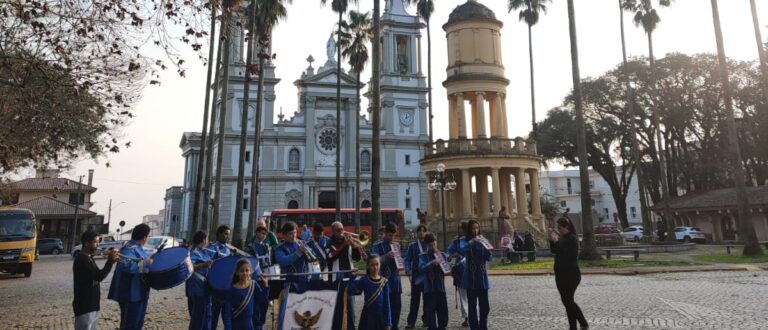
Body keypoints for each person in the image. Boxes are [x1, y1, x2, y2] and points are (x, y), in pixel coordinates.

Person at [108, 223, 153, 330]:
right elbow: (127, 266)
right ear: (144, 237)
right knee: (129, 325)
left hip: (140, 293)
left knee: (137, 324)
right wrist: (146, 263)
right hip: (130, 295)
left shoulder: (140, 248)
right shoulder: (128, 248)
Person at [73, 231, 118, 330]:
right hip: (84, 306)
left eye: (98, 242)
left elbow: (98, 275)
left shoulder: (89, 258)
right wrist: (110, 261)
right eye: (95, 242)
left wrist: (111, 261)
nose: (98, 245)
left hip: (92, 305)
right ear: (86, 243)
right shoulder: (82, 259)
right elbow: (99, 276)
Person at [549, 218, 589, 330]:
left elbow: (565, 253)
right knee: (566, 301)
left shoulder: (571, 239)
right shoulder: (564, 238)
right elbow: (554, 250)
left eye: (560, 228)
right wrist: (552, 240)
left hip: (570, 274)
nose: (559, 230)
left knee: (568, 301)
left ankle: (583, 322)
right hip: (561, 274)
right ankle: (573, 326)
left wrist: (555, 241)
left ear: (566, 226)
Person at [326, 221, 364, 330]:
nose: (341, 232)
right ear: (333, 231)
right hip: (336, 280)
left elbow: (356, 258)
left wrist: (355, 247)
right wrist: (344, 245)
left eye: (342, 229)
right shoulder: (329, 243)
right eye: (338, 230)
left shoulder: (347, 242)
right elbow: (331, 257)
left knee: (351, 311)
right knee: (338, 311)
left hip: (349, 280)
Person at [460, 220, 492, 330]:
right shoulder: (465, 240)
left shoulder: (483, 240)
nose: (475, 230)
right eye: (473, 228)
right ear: (469, 229)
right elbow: (462, 249)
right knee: (472, 306)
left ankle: (483, 326)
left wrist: (487, 248)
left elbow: (490, 258)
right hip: (470, 278)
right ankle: (474, 327)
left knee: (485, 306)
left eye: (477, 228)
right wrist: (473, 241)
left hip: (482, 277)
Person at [371, 223, 403, 330]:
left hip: (395, 280)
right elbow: (373, 262)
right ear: (385, 233)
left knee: (397, 305)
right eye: (390, 235)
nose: (392, 238)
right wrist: (386, 256)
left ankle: (395, 326)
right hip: (382, 280)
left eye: (394, 236)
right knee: (384, 306)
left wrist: (400, 261)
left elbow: (400, 262)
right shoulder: (377, 245)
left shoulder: (397, 245)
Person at [349, 254, 392, 330]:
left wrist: (388, 322)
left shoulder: (385, 282)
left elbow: (387, 303)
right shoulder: (364, 280)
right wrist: (352, 277)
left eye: (377, 264)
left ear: (380, 264)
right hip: (367, 317)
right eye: (372, 265)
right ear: (368, 266)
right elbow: (351, 291)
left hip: (381, 318)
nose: (375, 267)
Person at [227, 258, 270, 330]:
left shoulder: (253, 284)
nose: (245, 273)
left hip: (250, 325)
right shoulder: (232, 289)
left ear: (250, 272)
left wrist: (265, 285)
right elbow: (227, 313)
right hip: (236, 325)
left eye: (247, 270)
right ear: (237, 272)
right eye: (242, 271)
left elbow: (263, 300)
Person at [419, 233, 448, 330]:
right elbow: (421, 268)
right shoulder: (423, 256)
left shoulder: (442, 254)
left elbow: (448, 269)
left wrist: (445, 263)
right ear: (426, 246)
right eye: (430, 245)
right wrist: (431, 263)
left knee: (443, 310)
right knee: (430, 311)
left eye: (434, 244)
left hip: (440, 287)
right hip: (429, 289)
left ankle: (442, 327)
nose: (432, 247)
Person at [186, 230, 215, 330]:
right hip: (197, 290)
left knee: (206, 317)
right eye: (206, 239)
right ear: (203, 240)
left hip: (204, 289)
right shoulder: (193, 251)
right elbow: (189, 267)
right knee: (198, 320)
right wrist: (204, 265)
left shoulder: (202, 250)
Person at [209, 225, 233, 329]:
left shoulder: (229, 249)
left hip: (227, 287)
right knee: (214, 316)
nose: (227, 237)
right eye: (225, 234)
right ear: (219, 234)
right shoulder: (212, 248)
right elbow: (209, 266)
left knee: (227, 317)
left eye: (228, 234)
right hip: (216, 288)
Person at [404, 224, 427, 329]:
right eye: (419, 231)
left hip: (427, 276)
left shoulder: (429, 244)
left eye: (423, 231)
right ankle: (411, 321)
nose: (421, 232)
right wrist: (408, 269)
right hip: (416, 276)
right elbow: (407, 259)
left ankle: (426, 319)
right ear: (417, 233)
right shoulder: (412, 246)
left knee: (427, 300)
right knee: (414, 300)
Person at [447, 222, 469, 327]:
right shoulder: (455, 241)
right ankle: (466, 317)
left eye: (462, 228)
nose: (460, 230)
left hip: (471, 271)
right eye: (459, 228)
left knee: (473, 296)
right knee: (462, 296)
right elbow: (449, 251)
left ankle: (474, 315)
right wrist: (448, 257)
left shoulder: (471, 240)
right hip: (459, 271)